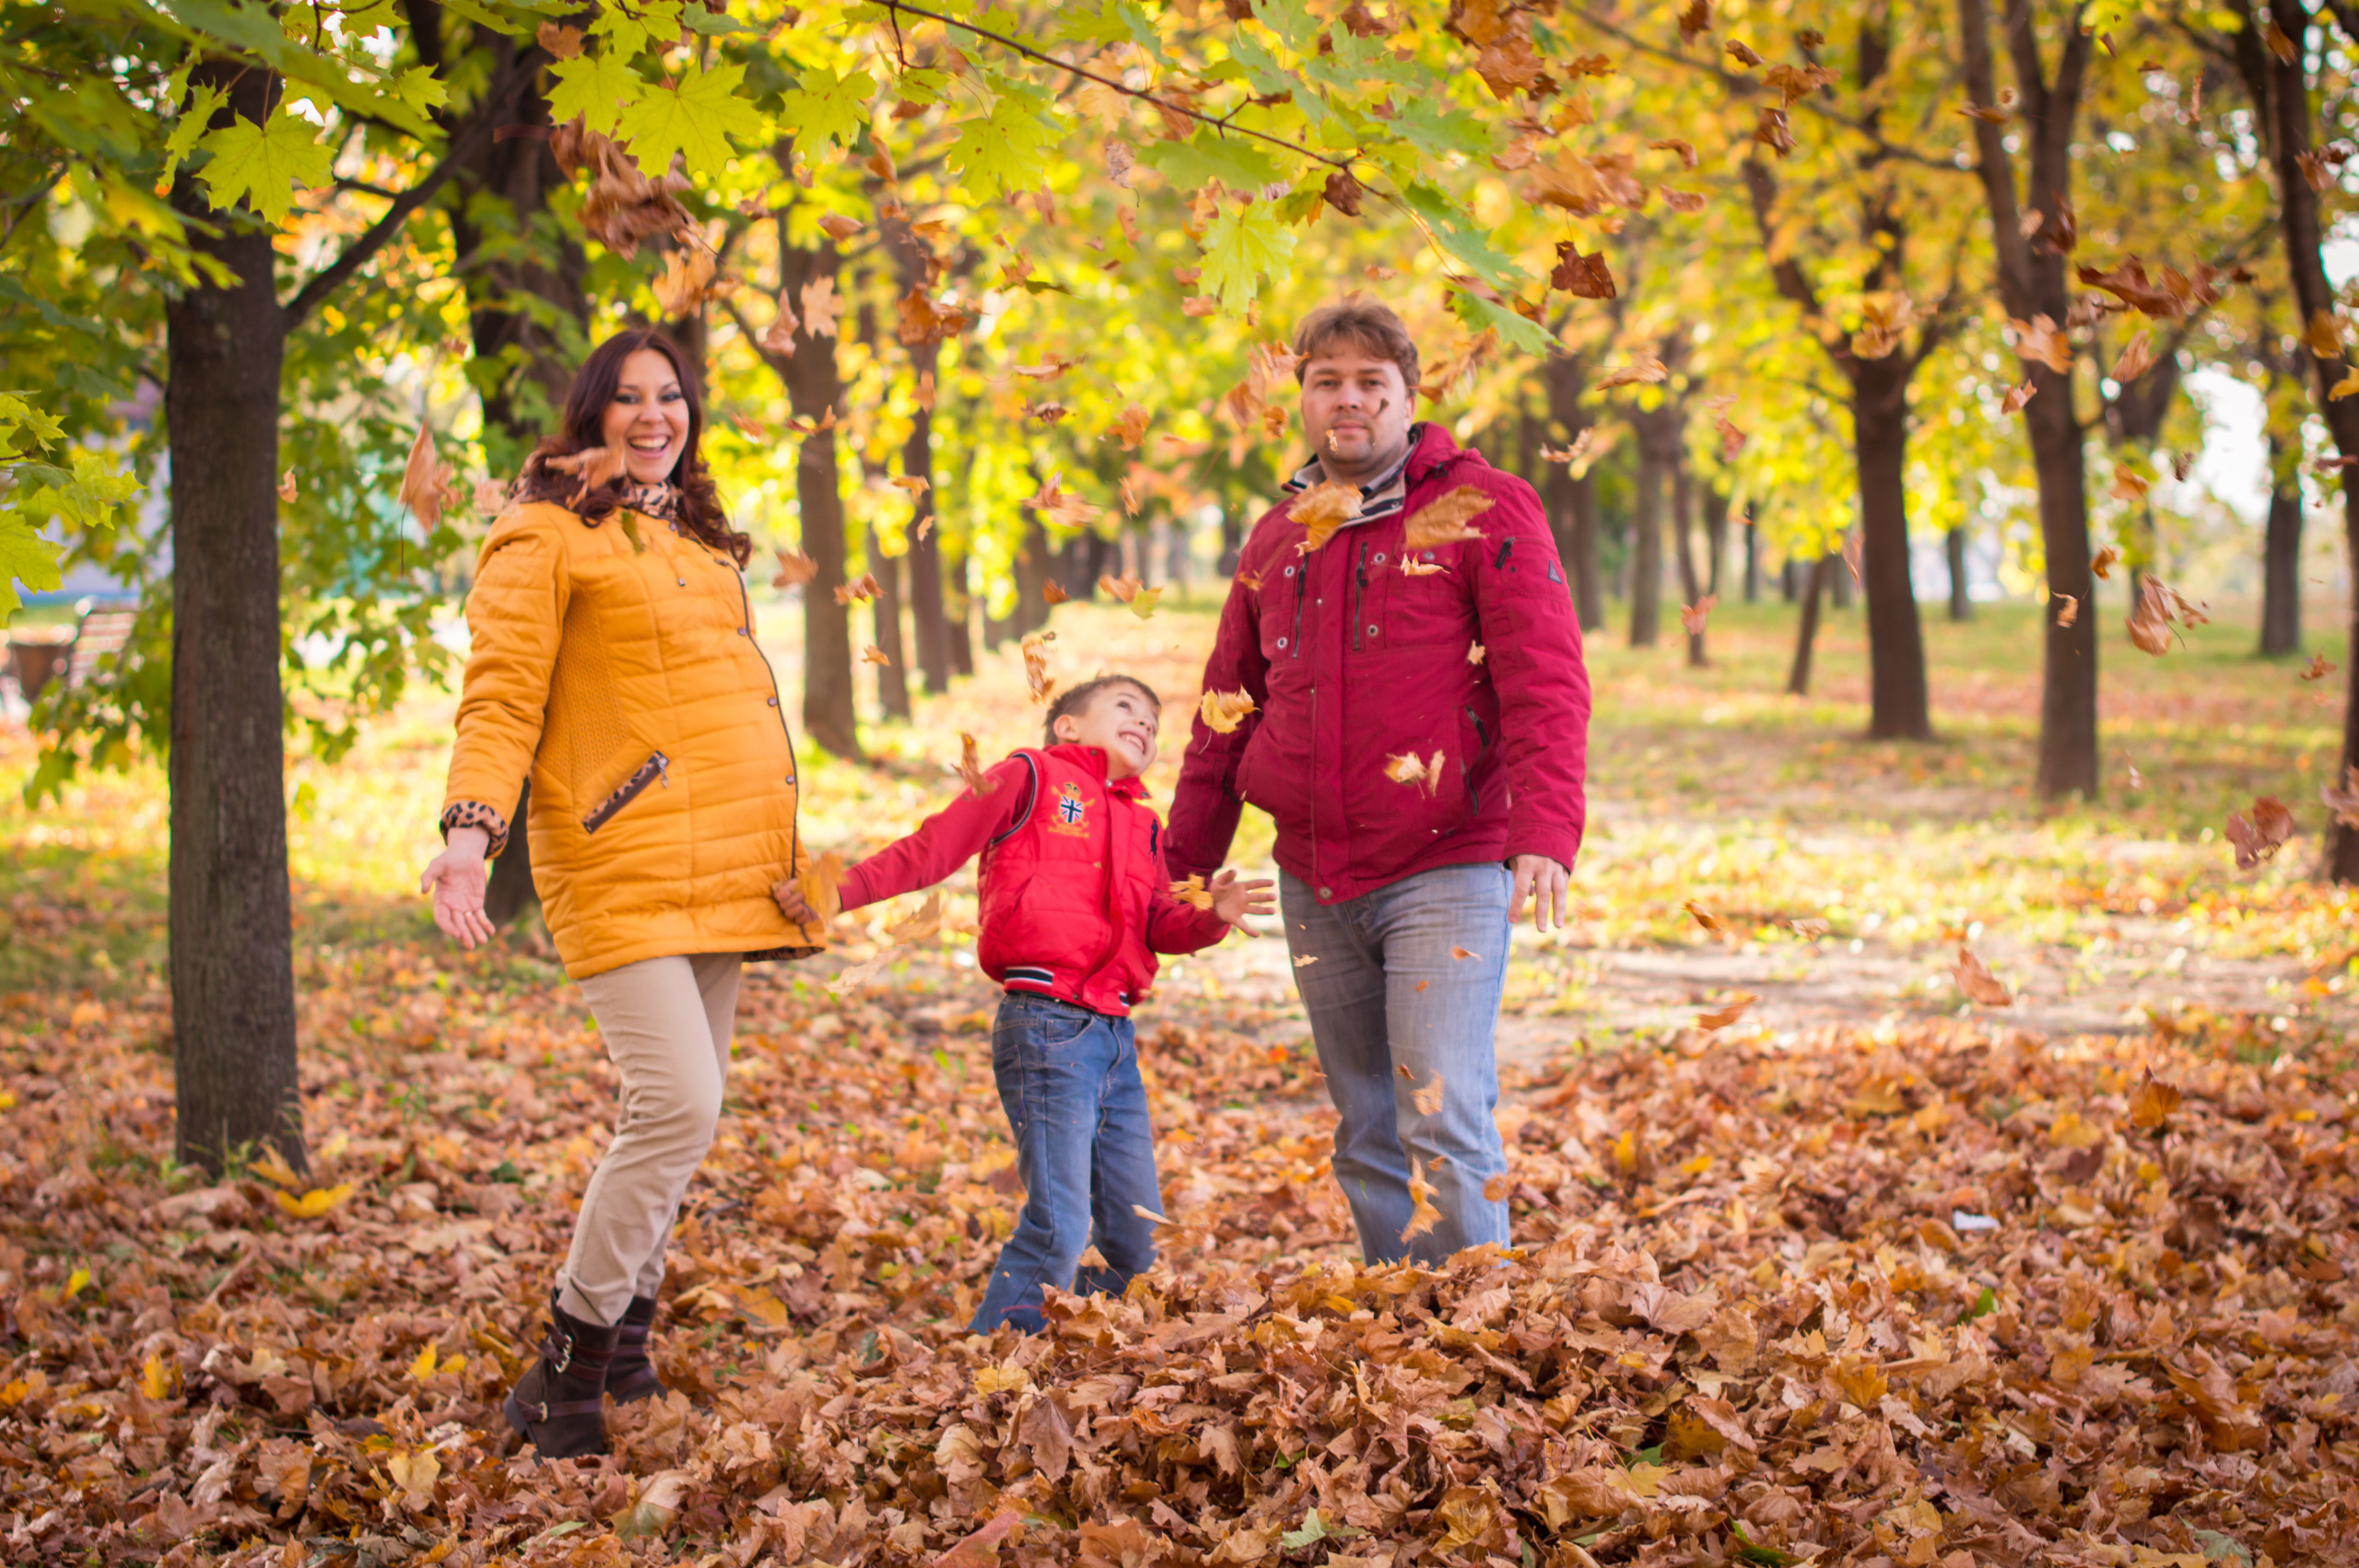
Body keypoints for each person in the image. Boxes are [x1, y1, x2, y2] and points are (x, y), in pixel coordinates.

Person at [417, 327, 825, 1458]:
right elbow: (499, 697)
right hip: (617, 861)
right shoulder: (544, 535)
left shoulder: (697, 539)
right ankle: (562, 1370)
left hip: (724, 870)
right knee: (676, 1106)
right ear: (591, 417)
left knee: (684, 1125)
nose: (655, 415)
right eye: (629, 400)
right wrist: (469, 835)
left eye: (672, 396)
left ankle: (628, 1346)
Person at [1166, 298, 1591, 1268]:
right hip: (1313, 873)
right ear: (1302, 400)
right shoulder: (1278, 536)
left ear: (1408, 397)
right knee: (1364, 1123)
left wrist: (1544, 830)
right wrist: (1175, 873)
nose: (1346, 400)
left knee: (1438, 1103)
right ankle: (1402, 1330)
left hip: (1447, 859)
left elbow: (1545, 677)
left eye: (1369, 383)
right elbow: (1224, 712)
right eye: (1326, 381)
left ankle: (1476, 1337)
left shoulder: (1485, 507)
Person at [774, 675, 1273, 1331]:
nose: (1146, 726)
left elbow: (1158, 924)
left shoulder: (1144, 823)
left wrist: (1210, 916)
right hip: (1044, 1024)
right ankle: (993, 1367)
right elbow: (933, 849)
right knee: (1060, 1225)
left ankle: (1066, 1334)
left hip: (1114, 1038)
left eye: (1154, 722)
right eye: (1127, 708)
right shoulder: (1029, 777)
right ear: (1067, 725)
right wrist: (836, 892)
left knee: (1137, 1244)